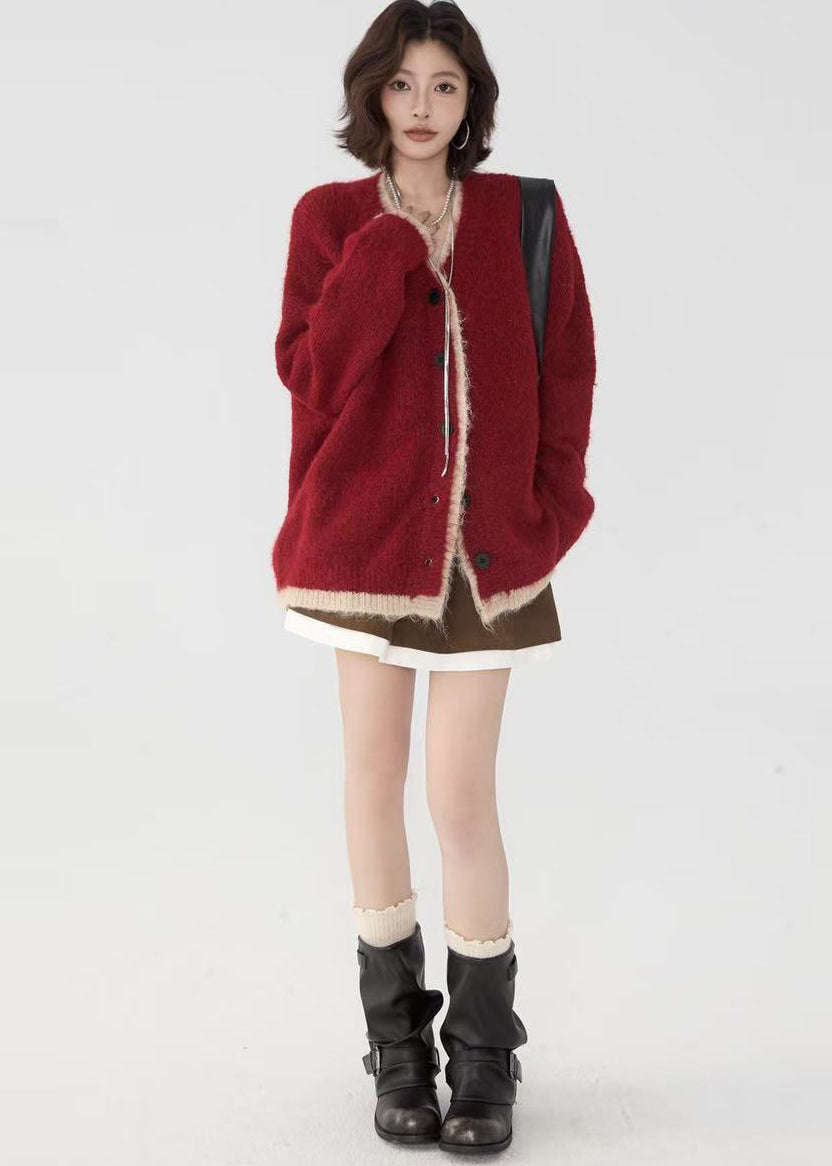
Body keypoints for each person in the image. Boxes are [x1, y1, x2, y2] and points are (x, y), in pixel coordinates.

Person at [271, 0, 596, 1153]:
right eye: (402, 84)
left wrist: (552, 511)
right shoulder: (329, 219)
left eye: (444, 85)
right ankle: (398, 1049)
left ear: (472, 101)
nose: (421, 106)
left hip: (487, 560)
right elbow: (313, 375)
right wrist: (386, 246)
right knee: (373, 779)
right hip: (361, 552)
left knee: (460, 795)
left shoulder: (523, 217)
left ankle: (485, 1057)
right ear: (372, 93)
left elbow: (569, 378)